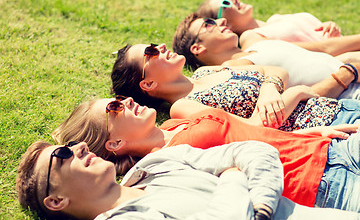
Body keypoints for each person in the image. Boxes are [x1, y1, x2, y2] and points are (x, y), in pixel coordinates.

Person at [52, 96, 360, 211]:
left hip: (328, 148)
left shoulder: (176, 123)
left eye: (119, 98)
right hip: (320, 184)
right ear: (115, 144)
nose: (127, 100)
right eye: (114, 108)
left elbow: (249, 133)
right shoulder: (161, 166)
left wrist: (302, 135)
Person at [17, 139, 360, 220]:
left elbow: (254, 151)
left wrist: (263, 204)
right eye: (62, 155)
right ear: (56, 200)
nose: (78, 148)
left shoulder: (157, 163)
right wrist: (233, 180)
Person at [111, 42, 360, 130]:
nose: (161, 48)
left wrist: (269, 89)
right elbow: (251, 128)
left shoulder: (205, 71)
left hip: (341, 107)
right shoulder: (183, 107)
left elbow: (273, 70)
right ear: (148, 83)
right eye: (150, 52)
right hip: (328, 126)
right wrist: (294, 93)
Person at [172, 13, 360, 100]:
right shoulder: (231, 71)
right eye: (208, 24)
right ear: (198, 48)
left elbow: (321, 57)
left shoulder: (259, 45)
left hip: (354, 76)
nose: (221, 20)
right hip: (348, 95)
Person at [196, 0, 360, 59]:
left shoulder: (276, 19)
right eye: (226, 3)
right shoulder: (253, 39)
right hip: (349, 60)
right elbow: (321, 49)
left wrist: (328, 26)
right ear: (222, 21)